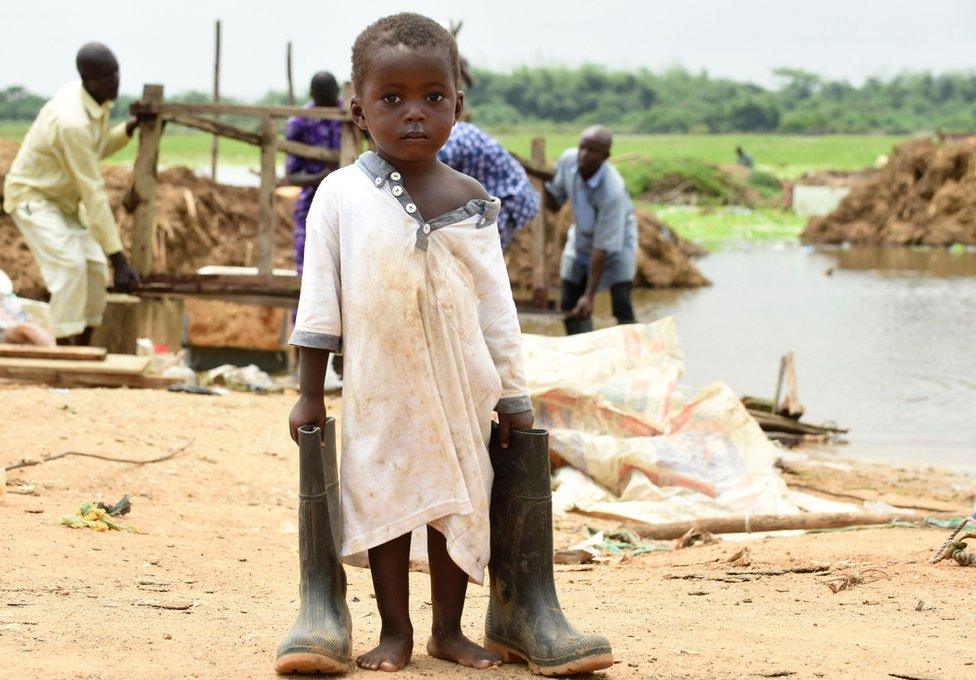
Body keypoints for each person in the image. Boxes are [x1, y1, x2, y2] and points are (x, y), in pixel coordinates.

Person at [286, 13, 533, 672]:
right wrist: (309, 394)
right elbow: (319, 306)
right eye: (391, 99)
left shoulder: (473, 199)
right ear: (358, 110)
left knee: (455, 503)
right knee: (385, 508)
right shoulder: (338, 196)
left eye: (433, 96)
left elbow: (496, 311)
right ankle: (394, 631)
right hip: (378, 387)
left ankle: (448, 631)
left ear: (459, 103)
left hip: (462, 388)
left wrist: (513, 397)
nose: (414, 113)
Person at [3, 43, 139, 346]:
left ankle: (84, 350)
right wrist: (120, 259)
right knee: (69, 266)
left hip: (62, 201)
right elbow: (92, 192)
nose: (115, 80)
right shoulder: (71, 121)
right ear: (86, 77)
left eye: (116, 72)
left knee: (93, 266)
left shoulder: (93, 102)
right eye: (106, 76)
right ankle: (63, 354)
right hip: (33, 197)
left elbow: (94, 150)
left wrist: (128, 129)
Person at [546, 125, 637, 335]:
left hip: (616, 243)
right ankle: (580, 346)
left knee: (621, 303)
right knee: (570, 301)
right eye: (582, 147)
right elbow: (554, 203)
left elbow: (602, 248)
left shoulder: (612, 191)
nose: (584, 155)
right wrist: (532, 182)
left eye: (592, 151)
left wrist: (589, 295)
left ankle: (633, 351)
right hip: (581, 237)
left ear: (605, 156)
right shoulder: (569, 161)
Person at [437, 121, 539, 250]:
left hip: (508, 198)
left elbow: (426, 173)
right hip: (505, 195)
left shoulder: (452, 141)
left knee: (485, 253)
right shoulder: (453, 133)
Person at [283, 71, 343, 276]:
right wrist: (323, 177)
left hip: (348, 203)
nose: (328, 106)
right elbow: (291, 176)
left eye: (331, 99)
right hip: (312, 203)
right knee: (308, 270)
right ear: (312, 95)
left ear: (337, 93)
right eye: (322, 100)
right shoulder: (299, 122)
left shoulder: (351, 113)